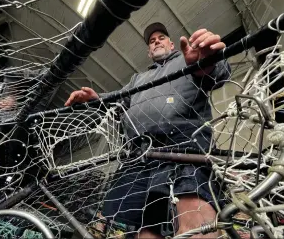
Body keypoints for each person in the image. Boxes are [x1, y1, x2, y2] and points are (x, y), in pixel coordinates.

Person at [65, 23, 231, 238]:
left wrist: (207, 63)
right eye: (152, 41)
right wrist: (96, 100)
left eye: (161, 37)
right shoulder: (138, 79)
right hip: (139, 157)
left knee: (196, 226)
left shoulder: (188, 58)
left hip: (183, 149)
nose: (156, 42)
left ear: (171, 43)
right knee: (135, 230)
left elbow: (219, 73)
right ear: (149, 51)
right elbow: (116, 100)